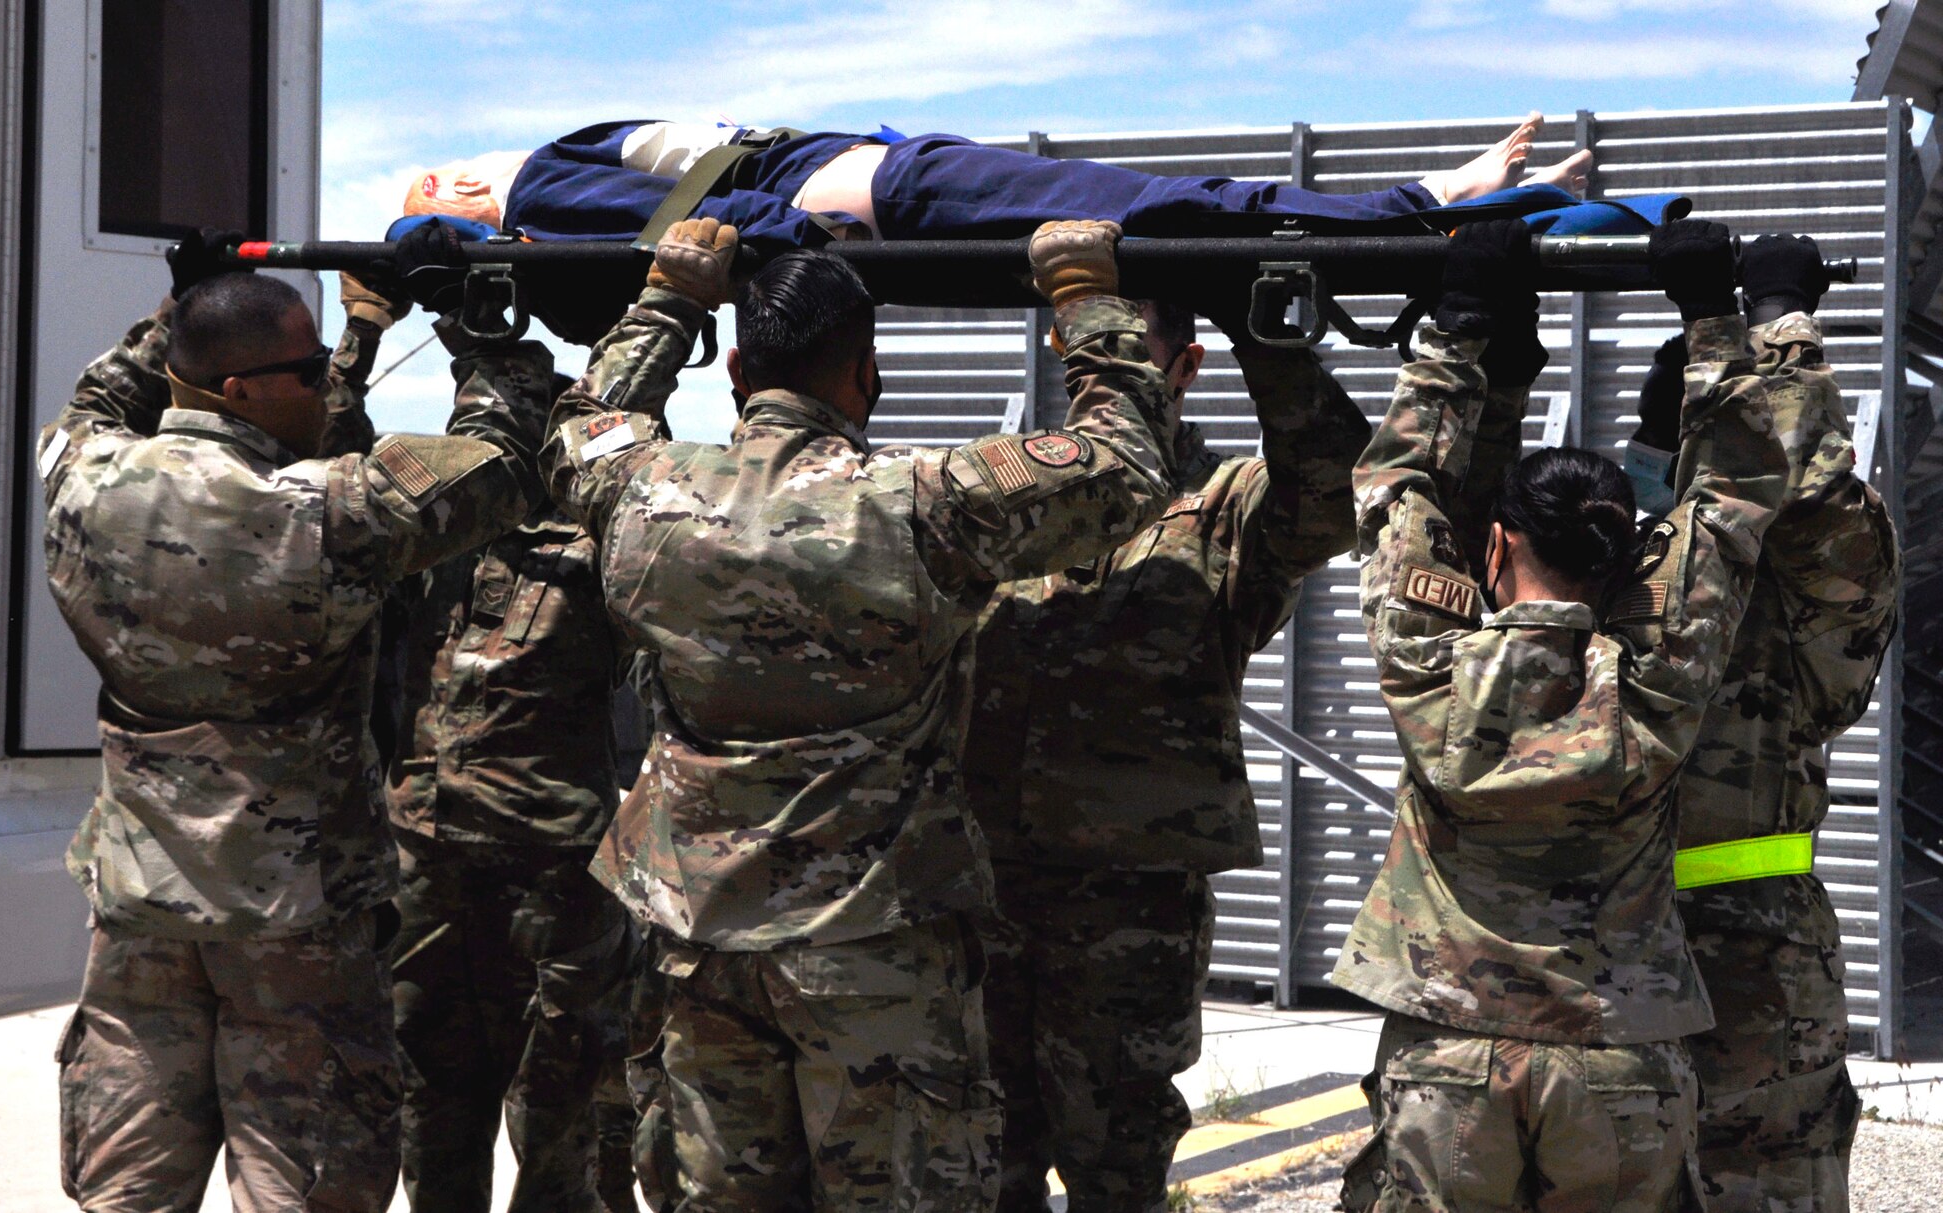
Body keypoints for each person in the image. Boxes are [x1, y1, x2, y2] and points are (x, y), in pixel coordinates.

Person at [542, 215, 1177, 1209]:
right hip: (870, 942)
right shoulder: (918, 501)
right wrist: (1085, 297)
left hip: (698, 941)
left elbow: (581, 423)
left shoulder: (643, 490)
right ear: (866, 374)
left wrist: (668, 297)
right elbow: (1123, 466)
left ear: (738, 368)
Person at [42, 227, 554, 1213]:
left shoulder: (79, 476)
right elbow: (502, 460)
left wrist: (177, 310)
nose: (329, 385)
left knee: (125, 1191)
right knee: (305, 1188)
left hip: (141, 908)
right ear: (240, 394)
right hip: (295, 928)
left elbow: (99, 399)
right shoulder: (320, 515)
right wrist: (476, 321)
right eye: (310, 369)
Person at [1329, 218, 1791, 1213]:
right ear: (1624, 567)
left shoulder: (1426, 667)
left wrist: (1459, 333)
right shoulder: (1657, 672)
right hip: (1615, 1053)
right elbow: (1734, 497)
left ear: (1490, 553)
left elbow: (1394, 484)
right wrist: (1712, 322)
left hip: (1446, 1050)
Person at [964, 292, 1371, 1210]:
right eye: (1078, 344)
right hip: (982, 890)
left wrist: (1262, 333)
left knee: (1119, 1165)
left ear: (1183, 368)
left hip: (1128, 908)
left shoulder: (1223, 508)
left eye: (1125, 347)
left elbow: (1337, 483)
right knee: (976, 1157)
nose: (1094, 366)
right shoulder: (1002, 495)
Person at [1624, 237, 1898, 1211]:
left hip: (1592, 950)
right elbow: (1812, 494)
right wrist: (1776, 319)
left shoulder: (1571, 581)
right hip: (1746, 960)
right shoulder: (1787, 617)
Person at [379, 492, 645, 1213]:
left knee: (561, 1111)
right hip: (438, 872)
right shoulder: (427, 537)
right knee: (435, 1100)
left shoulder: (598, 548)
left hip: (548, 880)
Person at [405, 114, 1592, 244]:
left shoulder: (550, 183)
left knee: (1163, 213)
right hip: (889, 192)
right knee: (1162, 214)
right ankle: (1420, 206)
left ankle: (1417, 210)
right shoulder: (542, 188)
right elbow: (702, 213)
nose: (454, 174)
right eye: (438, 183)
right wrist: (797, 238)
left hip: (892, 185)